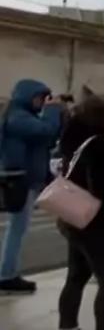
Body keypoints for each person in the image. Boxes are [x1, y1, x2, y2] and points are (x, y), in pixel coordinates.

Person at [55, 95, 104, 330]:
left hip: (74, 218)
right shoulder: (99, 145)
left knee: (76, 276)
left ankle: (67, 325)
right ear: (102, 118)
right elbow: (103, 187)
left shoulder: (75, 142)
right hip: (95, 222)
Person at [1, 79, 63, 294]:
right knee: (17, 229)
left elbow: (50, 138)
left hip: (26, 180)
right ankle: (6, 275)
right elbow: (46, 131)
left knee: (17, 229)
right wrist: (54, 109)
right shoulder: (18, 118)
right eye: (39, 97)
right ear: (26, 96)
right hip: (21, 181)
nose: (41, 102)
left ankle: (7, 273)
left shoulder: (23, 116)